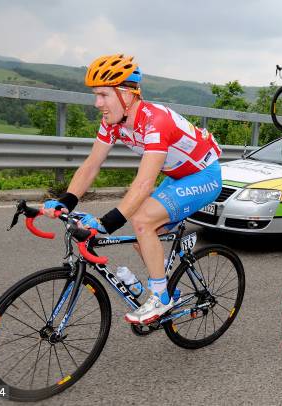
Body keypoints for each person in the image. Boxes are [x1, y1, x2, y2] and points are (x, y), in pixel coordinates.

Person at [41, 54, 222, 324]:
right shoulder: (113, 123)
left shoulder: (156, 122)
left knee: (141, 220)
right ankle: (170, 282)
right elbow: (92, 164)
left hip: (203, 176)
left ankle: (161, 297)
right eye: (95, 95)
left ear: (127, 94)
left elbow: (144, 183)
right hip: (176, 176)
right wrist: (66, 201)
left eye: (104, 95)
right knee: (144, 237)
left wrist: (105, 223)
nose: (97, 103)